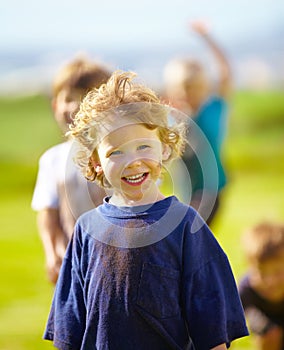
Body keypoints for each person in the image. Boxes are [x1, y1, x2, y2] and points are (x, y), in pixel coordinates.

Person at [43, 70, 248, 349]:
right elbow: (69, 330)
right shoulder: (86, 230)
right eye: (116, 152)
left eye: (143, 146)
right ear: (95, 161)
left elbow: (212, 332)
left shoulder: (186, 226)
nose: (133, 161)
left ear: (164, 148)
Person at [31, 56, 111, 284]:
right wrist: (52, 251)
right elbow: (48, 211)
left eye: (87, 98)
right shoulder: (52, 159)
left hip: (115, 261)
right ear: (55, 104)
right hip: (72, 263)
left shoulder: (118, 155)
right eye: (68, 99)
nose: (75, 107)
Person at [163, 20, 232, 225]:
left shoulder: (213, 108)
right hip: (187, 193)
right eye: (182, 89)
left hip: (211, 190)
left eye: (192, 88)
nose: (187, 94)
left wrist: (207, 37)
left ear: (203, 86)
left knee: (188, 238)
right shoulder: (174, 118)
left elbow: (225, 72)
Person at [239, 222, 284, 350]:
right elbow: (226, 329)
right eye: (262, 272)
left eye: (278, 272)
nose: (270, 281)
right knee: (270, 334)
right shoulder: (246, 289)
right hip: (267, 330)